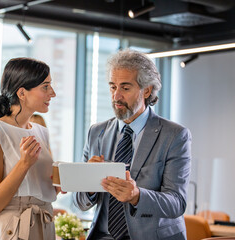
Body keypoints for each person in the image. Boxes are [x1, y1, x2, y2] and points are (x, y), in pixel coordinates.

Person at [73, 49, 191, 240]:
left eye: (125, 88)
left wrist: (137, 196)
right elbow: (78, 202)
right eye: (112, 87)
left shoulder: (174, 135)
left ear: (147, 90)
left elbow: (176, 203)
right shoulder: (96, 132)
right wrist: (89, 185)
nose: (116, 96)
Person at [0, 57, 57, 240]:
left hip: (44, 225)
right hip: (13, 229)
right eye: (45, 86)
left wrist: (62, 182)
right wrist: (23, 164)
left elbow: (39, 186)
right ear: (22, 93)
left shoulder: (41, 132)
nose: (52, 93)